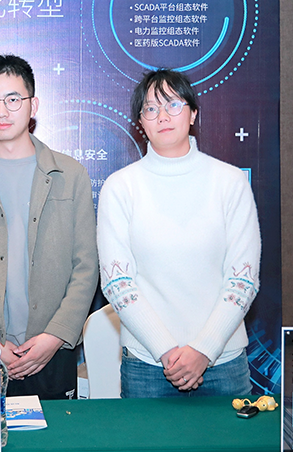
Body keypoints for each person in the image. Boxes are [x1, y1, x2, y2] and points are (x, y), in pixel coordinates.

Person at [0, 54, 98, 400]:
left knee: (58, 436)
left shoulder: (70, 175)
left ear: (33, 105)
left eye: (13, 99)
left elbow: (86, 266)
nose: (1, 111)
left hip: (53, 350)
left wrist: (55, 336)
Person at [96, 69, 260, 397]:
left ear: (193, 113)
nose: (163, 116)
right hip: (147, 366)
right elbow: (117, 282)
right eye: (151, 108)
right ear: (140, 123)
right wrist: (167, 351)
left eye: (173, 104)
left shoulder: (230, 182)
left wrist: (203, 350)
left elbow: (243, 278)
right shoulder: (120, 187)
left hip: (223, 364)